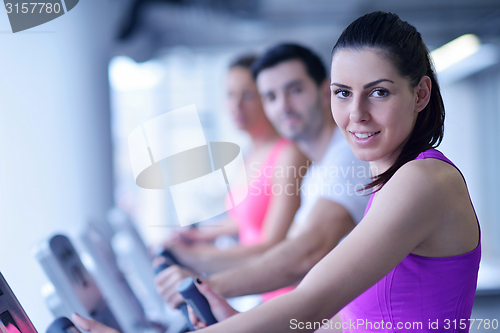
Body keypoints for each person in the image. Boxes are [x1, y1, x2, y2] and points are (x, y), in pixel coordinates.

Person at [74, 11, 481, 332]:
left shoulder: (423, 181)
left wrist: (210, 283)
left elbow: (311, 296)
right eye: (343, 93)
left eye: (379, 92)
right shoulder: (388, 186)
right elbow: (347, 322)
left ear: (421, 94)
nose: (356, 113)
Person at [155, 44, 370, 307]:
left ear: (326, 91)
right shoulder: (316, 173)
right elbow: (282, 253)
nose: (284, 106)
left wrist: (206, 284)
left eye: (295, 90)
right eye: (271, 96)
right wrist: (193, 258)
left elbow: (305, 255)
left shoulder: (349, 157)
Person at [155, 54, 308, 290]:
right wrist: (198, 237)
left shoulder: (289, 154)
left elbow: (272, 246)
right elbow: (243, 219)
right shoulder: (249, 154)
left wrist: (195, 255)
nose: (236, 106)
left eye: (247, 95)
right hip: (258, 286)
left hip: (282, 288)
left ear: (267, 98)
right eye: (229, 94)